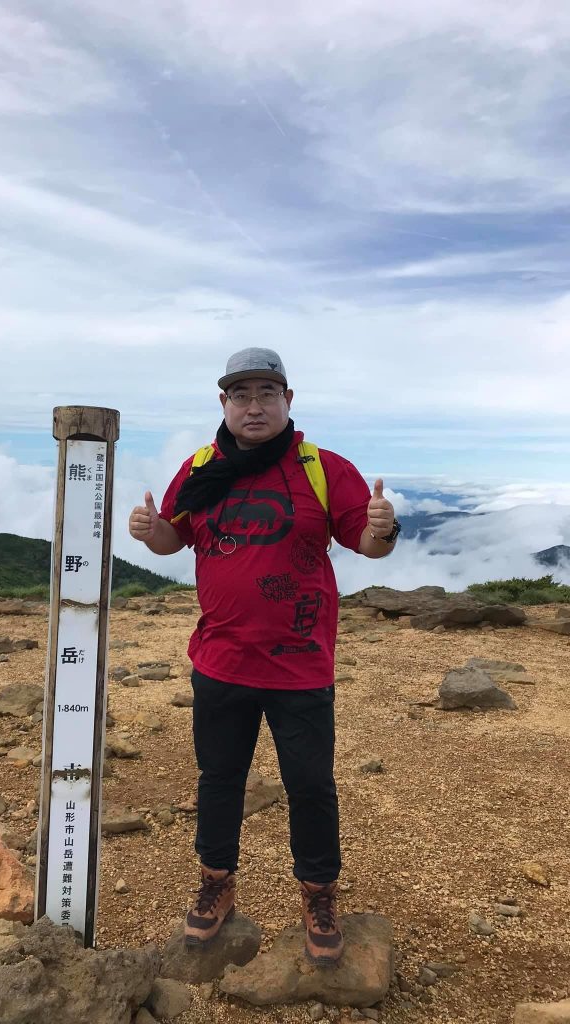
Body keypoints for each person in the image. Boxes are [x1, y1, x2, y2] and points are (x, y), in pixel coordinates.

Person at [128, 348, 399, 966]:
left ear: (287, 400)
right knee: (219, 778)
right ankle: (216, 882)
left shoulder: (323, 468)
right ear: (223, 403)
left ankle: (319, 894)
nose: (254, 406)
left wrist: (383, 527)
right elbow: (174, 539)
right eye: (241, 395)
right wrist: (150, 530)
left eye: (267, 393)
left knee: (310, 784)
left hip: (300, 664)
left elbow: (367, 544)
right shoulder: (201, 467)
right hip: (220, 660)